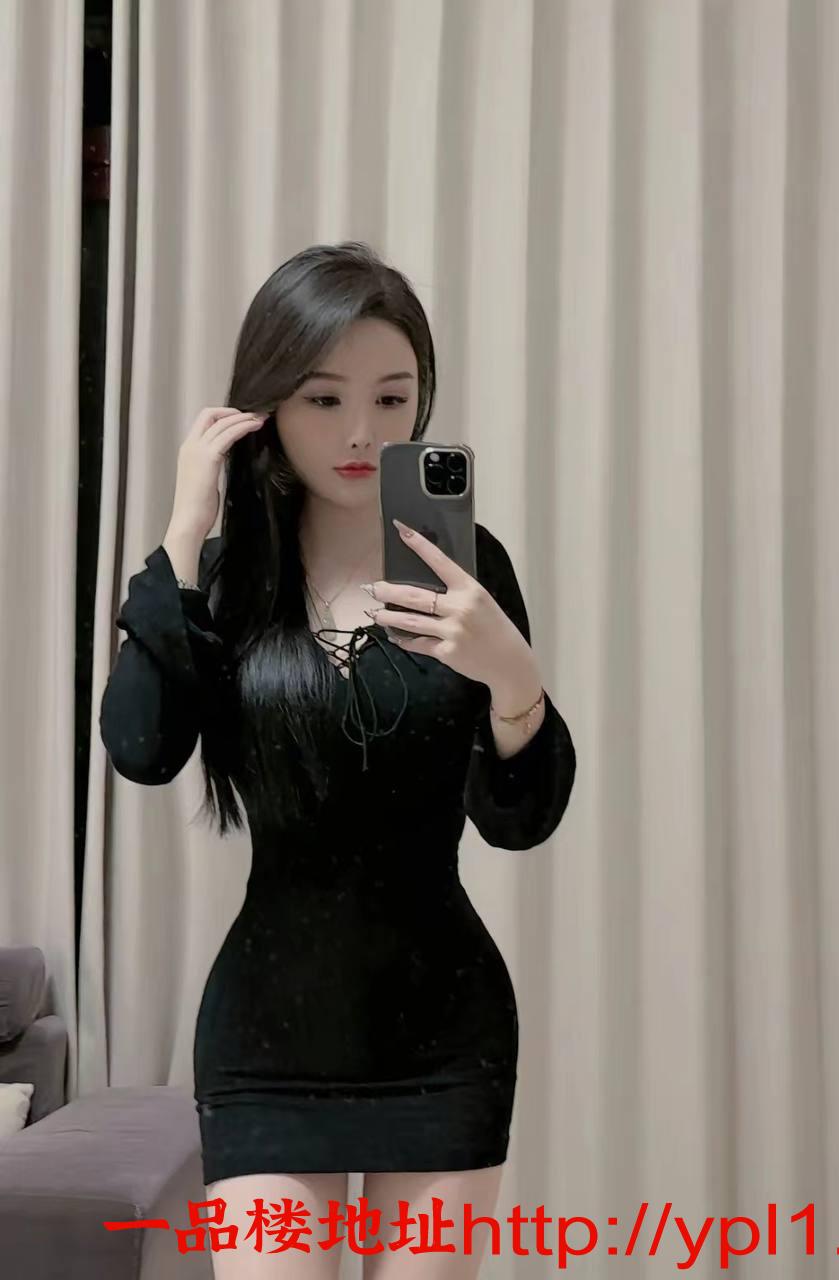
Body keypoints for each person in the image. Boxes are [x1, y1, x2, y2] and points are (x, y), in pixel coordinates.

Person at [99, 241, 577, 1278]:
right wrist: (183, 533)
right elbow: (141, 747)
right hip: (266, 1045)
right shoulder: (224, 580)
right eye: (323, 399)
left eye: (391, 398)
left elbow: (519, 817)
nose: (362, 432)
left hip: (444, 1039)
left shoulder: (467, 569)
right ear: (267, 405)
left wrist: (511, 675)